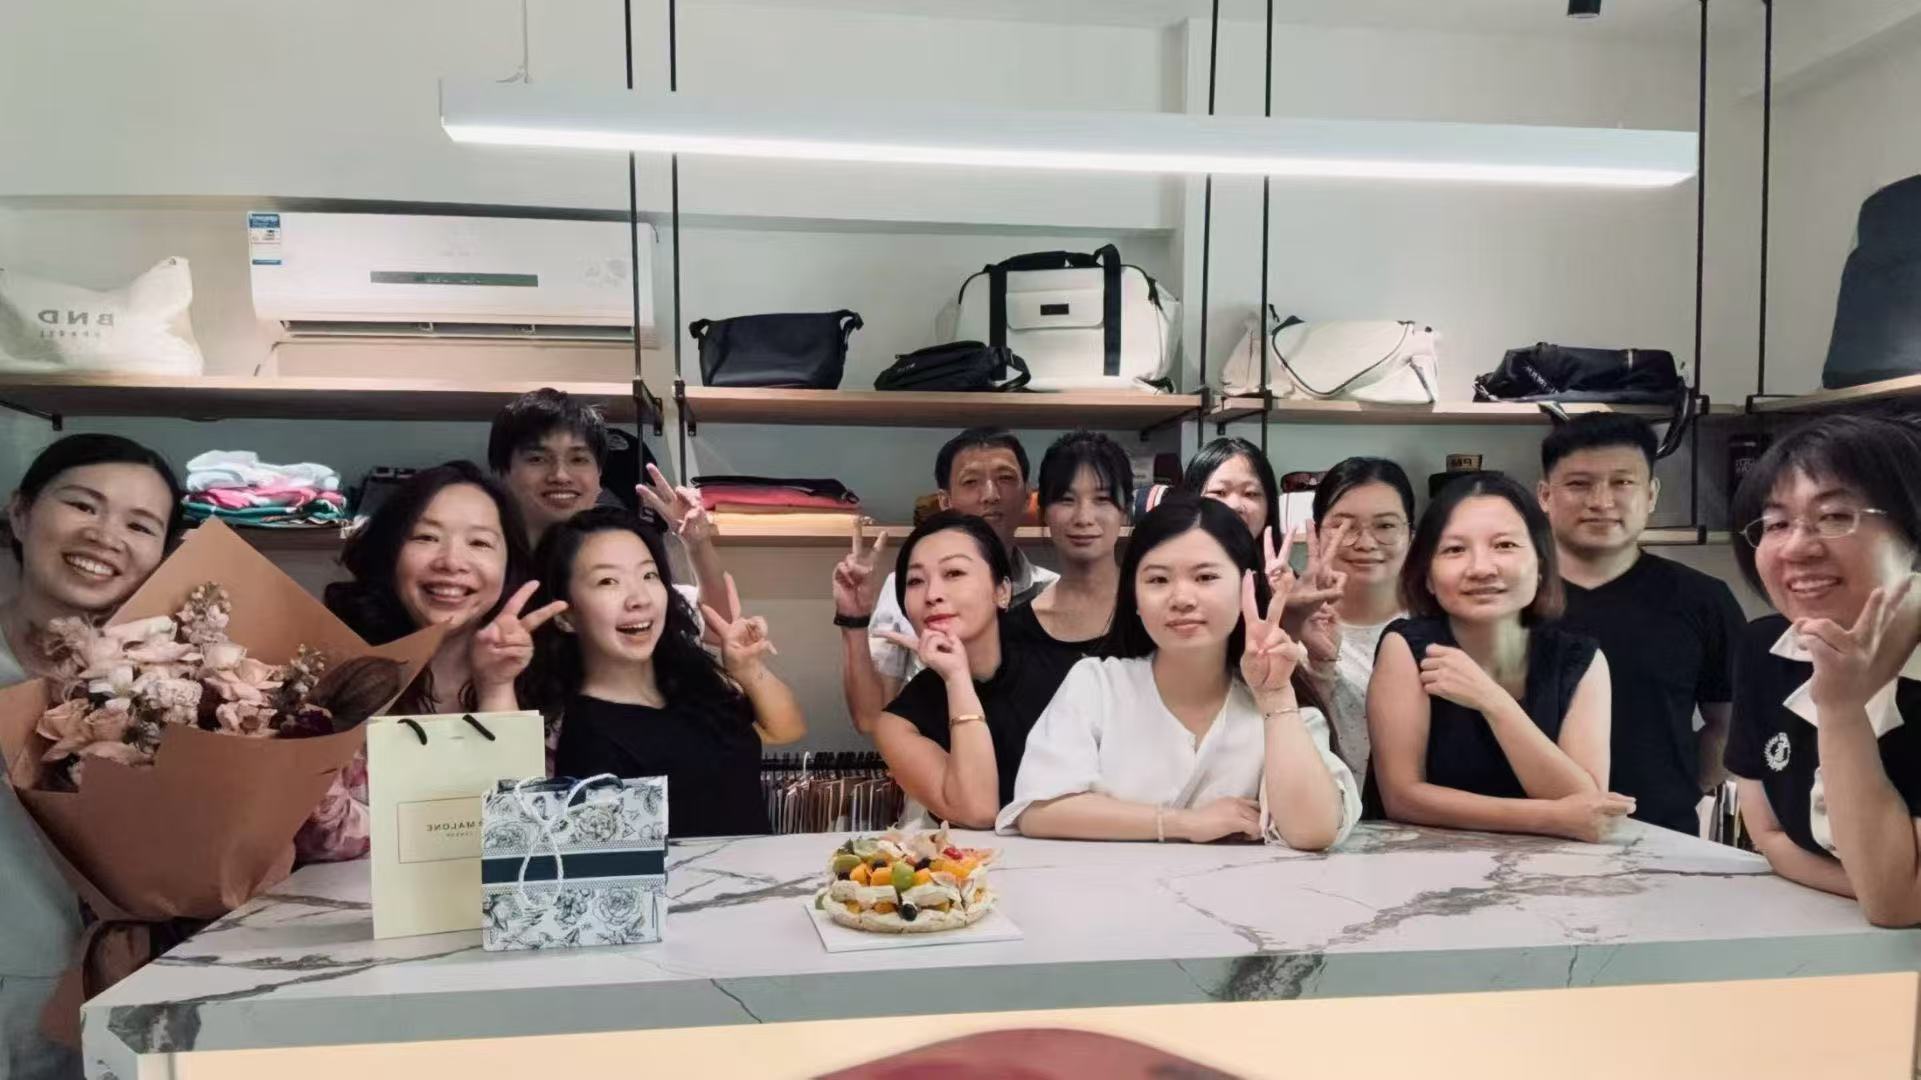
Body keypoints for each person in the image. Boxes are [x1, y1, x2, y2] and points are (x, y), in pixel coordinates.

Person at [996, 496, 1359, 850]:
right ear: (1134, 598)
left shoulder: (1279, 706)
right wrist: (1185, 824)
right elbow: (1039, 810)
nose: (1182, 598)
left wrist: (1275, 696)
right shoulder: (1097, 684)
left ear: (1245, 587)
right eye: (1157, 580)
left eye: (1205, 577)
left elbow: (1312, 831)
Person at [2, 434, 183, 1080]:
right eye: (83, 505)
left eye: (140, 525)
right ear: (20, 513)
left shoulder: (174, 693)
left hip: (114, 994)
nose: (106, 536)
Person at [1723, 415, 1921, 927]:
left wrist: (1841, 707)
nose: (1796, 547)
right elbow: (1769, 838)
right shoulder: (1765, 647)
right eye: (1776, 524)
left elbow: (1897, 905)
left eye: (1834, 516)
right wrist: (1877, 885)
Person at [312, 463, 560, 861]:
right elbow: (321, 837)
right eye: (426, 537)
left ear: (509, 565)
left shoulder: (545, 681)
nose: (451, 561)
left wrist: (497, 687)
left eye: (479, 543)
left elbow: (522, 834)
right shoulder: (328, 673)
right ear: (391, 552)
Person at [1367, 471, 1631, 842]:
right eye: (1454, 550)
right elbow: (1402, 798)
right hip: (1416, 864)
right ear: (1427, 575)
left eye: (1504, 545)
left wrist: (1492, 701)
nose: (1481, 568)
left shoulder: (1580, 661)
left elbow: (1588, 803)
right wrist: (1551, 817)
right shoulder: (1408, 648)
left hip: (1555, 869)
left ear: (1541, 565)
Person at [537, 508, 804, 837]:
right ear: (565, 616)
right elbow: (614, 864)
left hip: (760, 869)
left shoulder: (691, 679)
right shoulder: (589, 740)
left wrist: (747, 668)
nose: (639, 598)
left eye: (649, 575)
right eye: (608, 581)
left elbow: (787, 729)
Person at [1539, 414, 1745, 836]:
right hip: (1522, 832)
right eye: (1579, 484)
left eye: (1622, 482)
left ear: (1650, 494)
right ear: (1545, 495)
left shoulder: (1703, 600)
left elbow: (1733, 724)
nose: (1601, 501)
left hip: (1662, 837)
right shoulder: (1508, 597)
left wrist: (1681, 790)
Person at [864, 512, 1081, 828]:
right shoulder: (898, 724)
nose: (932, 595)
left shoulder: (1072, 675)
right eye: (915, 581)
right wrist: (957, 679)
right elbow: (978, 812)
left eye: (954, 573)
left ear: (1002, 591)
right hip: (972, 861)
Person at [835, 427, 1058, 733]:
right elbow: (870, 719)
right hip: (927, 755)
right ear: (945, 500)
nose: (990, 495)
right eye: (971, 482)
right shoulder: (909, 592)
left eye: (1005, 478)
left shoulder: (1053, 592)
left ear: (1027, 496)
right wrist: (853, 621)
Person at [488, 387, 732, 627]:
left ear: (599, 475)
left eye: (578, 459)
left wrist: (697, 544)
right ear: (501, 472)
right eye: (537, 459)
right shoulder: (485, 568)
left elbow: (715, 627)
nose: (560, 475)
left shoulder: (625, 556)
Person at [1301, 457, 1415, 781]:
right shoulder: (1293, 630)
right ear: (1316, 533)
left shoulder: (1438, 629)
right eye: (1343, 527)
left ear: (1411, 535)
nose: (1365, 543)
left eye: (1385, 526)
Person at [1007, 431, 1132, 663]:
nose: (1084, 518)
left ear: (1125, 511)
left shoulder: (1156, 613)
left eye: (1102, 499)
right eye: (1066, 500)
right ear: (1043, 512)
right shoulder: (1012, 634)